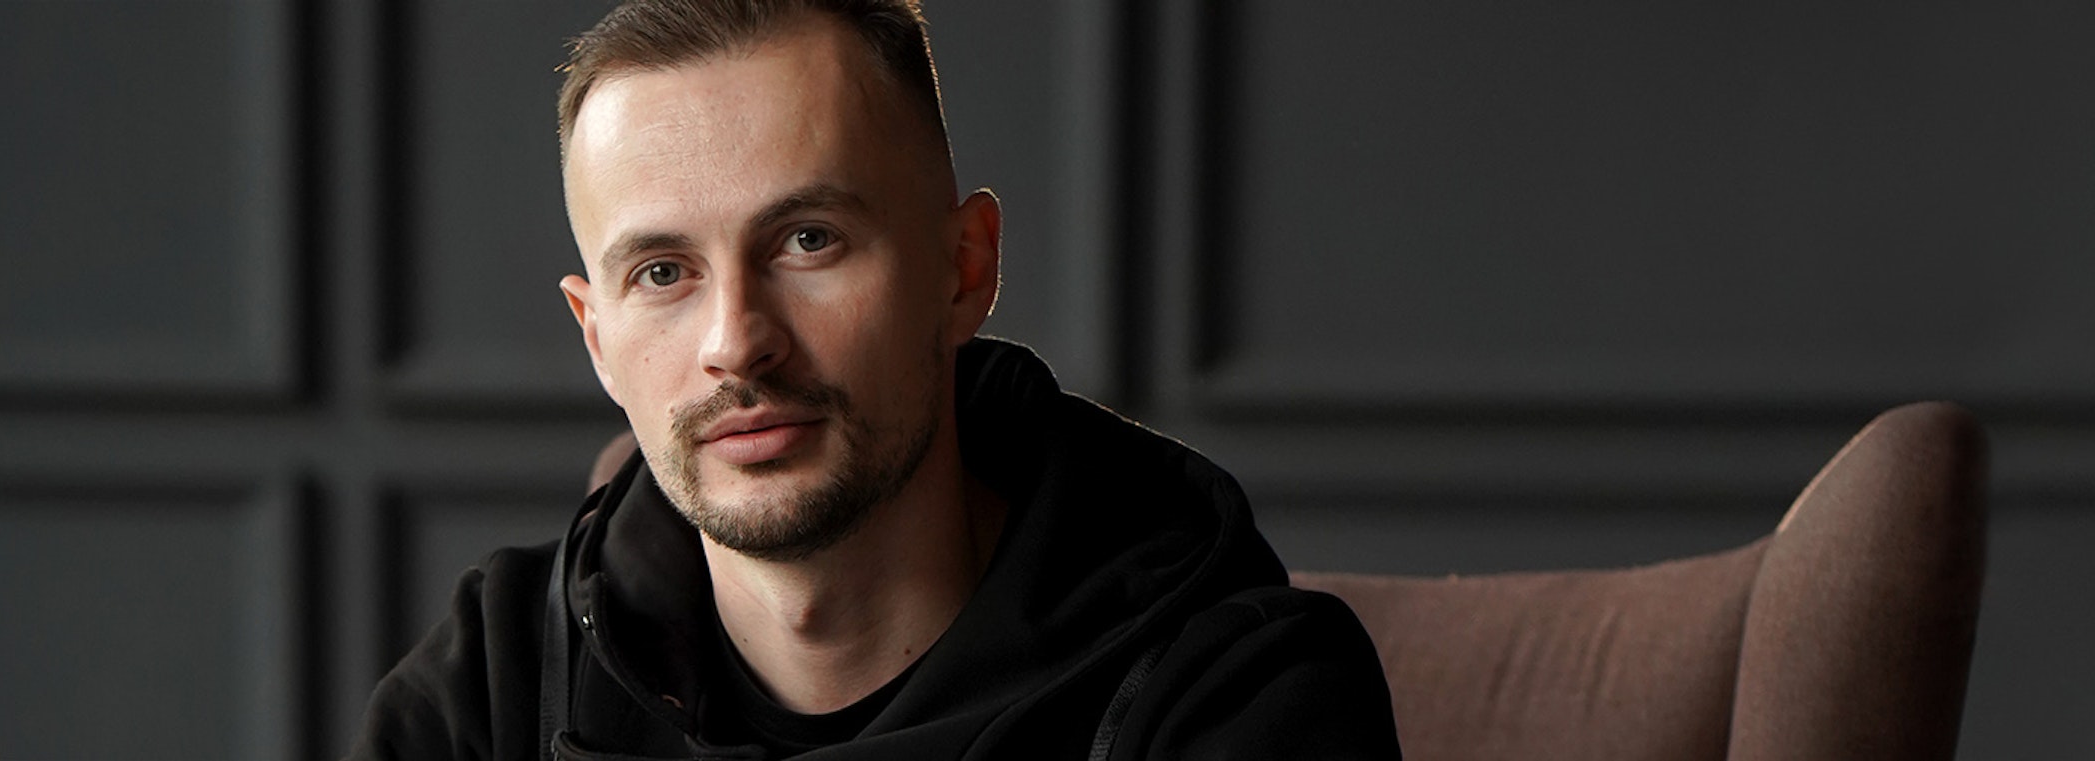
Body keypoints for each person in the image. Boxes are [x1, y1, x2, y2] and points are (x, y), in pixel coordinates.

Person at [350, 1, 1402, 758]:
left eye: (808, 240)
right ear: (597, 338)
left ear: (964, 271)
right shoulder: (498, 682)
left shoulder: (1232, 694)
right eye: (663, 272)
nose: (737, 340)